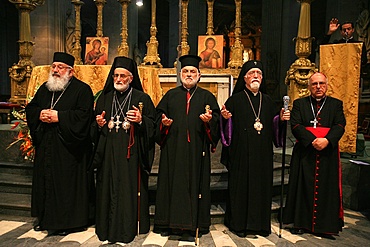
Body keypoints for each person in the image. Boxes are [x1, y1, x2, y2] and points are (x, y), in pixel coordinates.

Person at [25, 52, 95, 236]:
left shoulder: (82, 90)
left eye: (60, 67)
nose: (55, 70)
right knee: (45, 182)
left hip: (69, 149)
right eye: (54, 66)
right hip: (47, 144)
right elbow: (31, 108)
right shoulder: (45, 88)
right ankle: (44, 218)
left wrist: (59, 117)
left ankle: (68, 223)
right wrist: (39, 114)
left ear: (70, 72)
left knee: (65, 185)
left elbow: (84, 117)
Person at [220, 60, 290, 238]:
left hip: (262, 155)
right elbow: (225, 128)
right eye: (252, 73)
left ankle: (260, 225)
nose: (256, 76)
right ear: (244, 78)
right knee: (241, 188)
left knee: (261, 188)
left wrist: (280, 120)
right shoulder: (234, 100)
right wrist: (225, 118)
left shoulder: (267, 100)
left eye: (259, 73)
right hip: (241, 154)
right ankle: (239, 224)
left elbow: (274, 124)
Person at [154, 55, 220, 241]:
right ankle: (168, 224)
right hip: (173, 151)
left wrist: (209, 122)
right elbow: (158, 118)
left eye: (192, 72)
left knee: (195, 185)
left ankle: (195, 225)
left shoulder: (207, 96)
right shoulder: (171, 95)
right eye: (185, 71)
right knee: (170, 185)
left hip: (197, 151)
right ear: (180, 74)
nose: (189, 75)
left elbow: (216, 122)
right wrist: (163, 124)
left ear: (199, 75)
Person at [92, 56, 156, 244]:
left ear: (131, 78)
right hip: (109, 152)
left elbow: (153, 125)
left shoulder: (141, 98)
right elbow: (94, 125)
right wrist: (99, 124)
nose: (118, 79)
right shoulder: (104, 98)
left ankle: (128, 227)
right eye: (116, 76)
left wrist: (141, 121)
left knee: (128, 190)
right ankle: (106, 228)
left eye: (123, 76)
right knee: (107, 189)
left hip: (131, 154)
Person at [283, 72, 346, 239]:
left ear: (326, 85)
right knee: (302, 186)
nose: (318, 87)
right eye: (314, 84)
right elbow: (295, 124)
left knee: (326, 187)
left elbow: (340, 125)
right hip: (305, 152)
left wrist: (327, 141)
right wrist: (312, 140)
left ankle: (325, 226)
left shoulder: (335, 104)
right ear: (309, 86)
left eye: (321, 83)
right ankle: (300, 223)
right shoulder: (299, 104)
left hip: (327, 153)